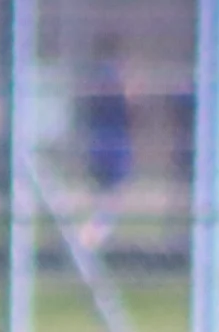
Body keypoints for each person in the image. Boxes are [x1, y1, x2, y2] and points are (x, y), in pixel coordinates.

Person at [76, 35, 136, 251]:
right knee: (114, 192)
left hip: (99, 139)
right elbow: (127, 108)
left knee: (104, 192)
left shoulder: (94, 76)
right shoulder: (115, 77)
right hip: (114, 141)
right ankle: (92, 234)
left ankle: (94, 232)